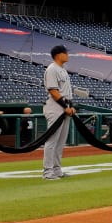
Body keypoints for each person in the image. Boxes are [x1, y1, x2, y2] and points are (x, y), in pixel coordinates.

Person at [43, 45, 76, 180]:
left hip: (65, 106)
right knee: (52, 141)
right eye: (65, 53)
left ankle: (57, 170)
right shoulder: (52, 69)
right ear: (58, 55)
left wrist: (70, 106)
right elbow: (53, 91)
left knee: (61, 141)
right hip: (55, 107)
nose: (67, 55)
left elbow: (66, 92)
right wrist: (65, 106)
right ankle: (47, 172)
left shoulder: (63, 70)